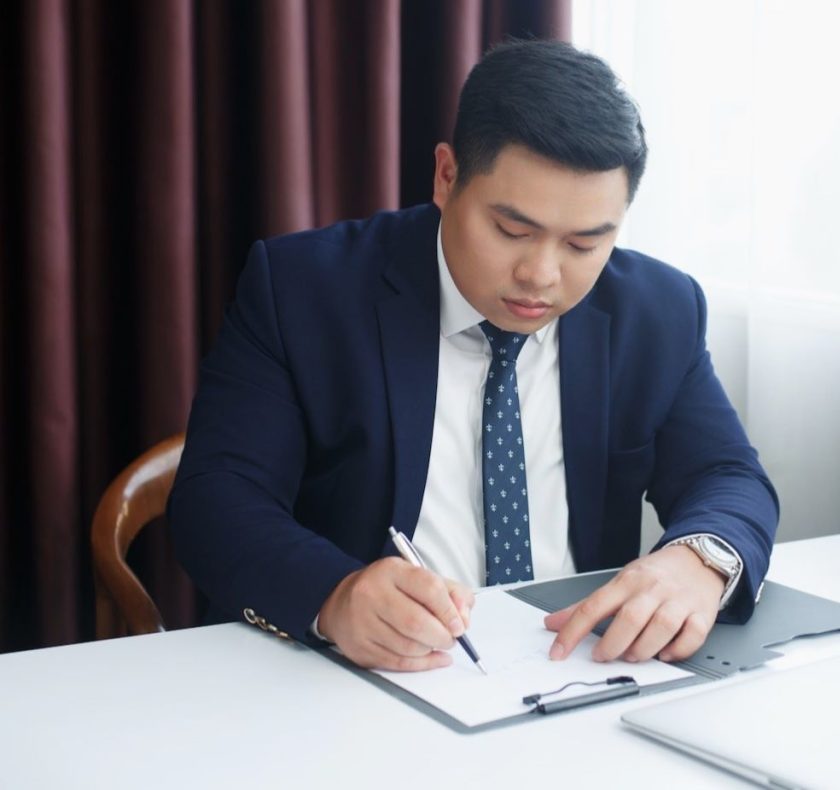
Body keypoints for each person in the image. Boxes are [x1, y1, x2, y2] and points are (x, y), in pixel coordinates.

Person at [168, 39, 779, 672]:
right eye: (511, 231)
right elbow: (217, 498)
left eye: (583, 243)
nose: (541, 274)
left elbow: (726, 475)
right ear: (447, 175)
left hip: (578, 672)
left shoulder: (659, 310)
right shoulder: (304, 288)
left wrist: (699, 561)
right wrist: (335, 594)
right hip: (359, 679)